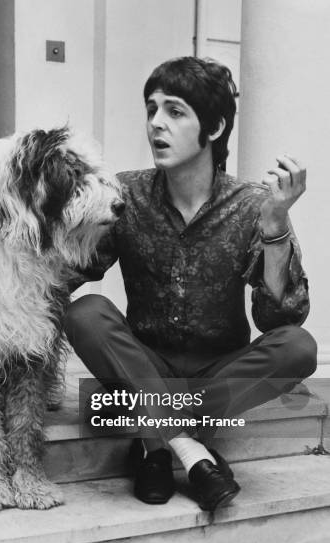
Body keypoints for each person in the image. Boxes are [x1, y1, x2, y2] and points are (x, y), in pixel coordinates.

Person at [64, 57, 317, 511]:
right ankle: (190, 450)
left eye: (175, 111)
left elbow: (279, 317)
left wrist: (276, 228)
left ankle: (154, 443)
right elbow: (68, 275)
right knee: (86, 312)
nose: (156, 124)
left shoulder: (254, 206)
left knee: (298, 347)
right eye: (152, 109)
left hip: (215, 372)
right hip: (145, 363)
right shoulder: (125, 194)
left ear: (215, 128)